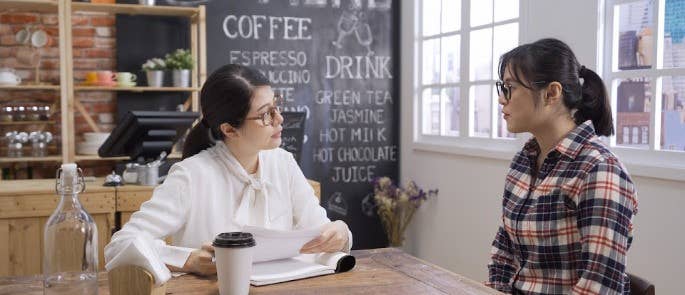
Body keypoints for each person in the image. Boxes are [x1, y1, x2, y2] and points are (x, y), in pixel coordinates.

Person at [105, 64, 352, 281]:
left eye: (276, 106)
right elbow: (121, 245)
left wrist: (340, 232)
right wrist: (188, 260)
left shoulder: (283, 163)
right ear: (230, 129)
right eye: (266, 114)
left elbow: (321, 229)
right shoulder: (191, 175)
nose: (280, 119)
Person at [486, 38, 638, 294]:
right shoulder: (523, 161)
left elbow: (599, 287)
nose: (502, 99)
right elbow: (503, 253)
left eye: (510, 87)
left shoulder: (599, 169)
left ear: (552, 93)